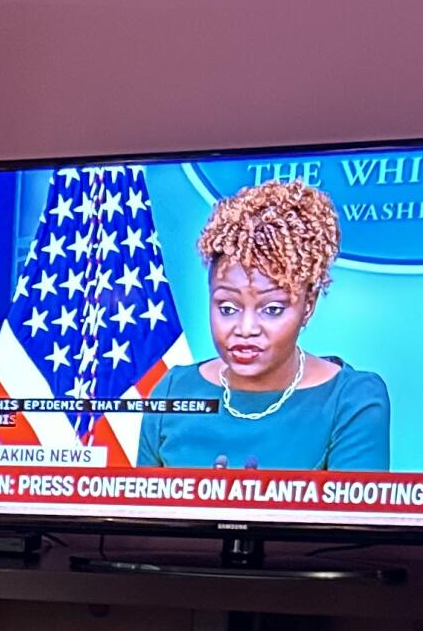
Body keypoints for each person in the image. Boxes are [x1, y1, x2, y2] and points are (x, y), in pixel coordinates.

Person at [137, 178, 390, 471]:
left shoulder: (352, 401)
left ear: (308, 305)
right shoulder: (172, 390)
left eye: (271, 309)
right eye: (227, 307)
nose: (245, 328)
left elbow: (350, 517)